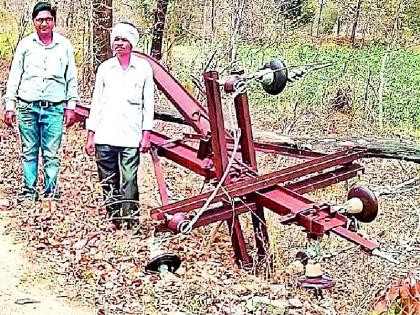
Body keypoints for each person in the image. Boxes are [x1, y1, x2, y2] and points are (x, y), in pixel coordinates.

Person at [3, 2, 79, 201]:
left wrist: (71, 106)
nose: (44, 23)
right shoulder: (25, 45)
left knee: (51, 152)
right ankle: (29, 191)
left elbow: (71, 77)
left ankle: (51, 191)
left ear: (54, 22)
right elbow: (15, 76)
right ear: (33, 22)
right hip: (27, 106)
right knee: (29, 150)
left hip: (54, 107)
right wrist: (9, 105)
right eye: (39, 20)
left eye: (47, 19)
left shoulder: (64, 45)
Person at [85, 22, 155, 226]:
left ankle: (130, 221)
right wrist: (91, 133)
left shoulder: (143, 69)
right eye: (117, 39)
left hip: (130, 135)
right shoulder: (105, 69)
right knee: (108, 179)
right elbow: (96, 102)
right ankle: (114, 219)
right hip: (105, 134)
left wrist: (146, 133)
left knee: (129, 179)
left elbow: (148, 103)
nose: (120, 43)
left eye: (124, 40)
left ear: (132, 43)